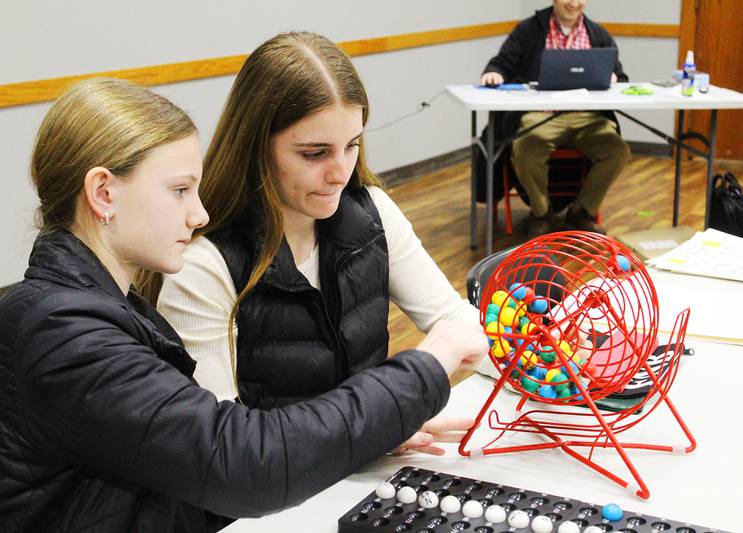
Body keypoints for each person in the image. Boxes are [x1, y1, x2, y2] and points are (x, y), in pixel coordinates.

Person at [0, 78, 487, 531]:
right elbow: (240, 464)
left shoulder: (97, 307)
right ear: (103, 193)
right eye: (179, 191)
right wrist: (424, 368)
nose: (200, 212)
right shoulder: (63, 332)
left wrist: (369, 429)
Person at [146, 31, 482, 456]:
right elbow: (225, 450)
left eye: (352, 145)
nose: (341, 172)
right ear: (256, 147)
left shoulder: (372, 210)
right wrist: (374, 424)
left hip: (361, 465)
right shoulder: (202, 266)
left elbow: (453, 320)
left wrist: (557, 367)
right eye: (314, 153)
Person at [480, 0, 631, 237]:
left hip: (588, 118)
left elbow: (620, 77)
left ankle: (581, 212)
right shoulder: (529, 30)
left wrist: (614, 78)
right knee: (526, 147)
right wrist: (494, 73)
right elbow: (502, 62)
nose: (574, 3)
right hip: (541, 115)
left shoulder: (598, 34)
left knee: (617, 151)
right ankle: (541, 213)